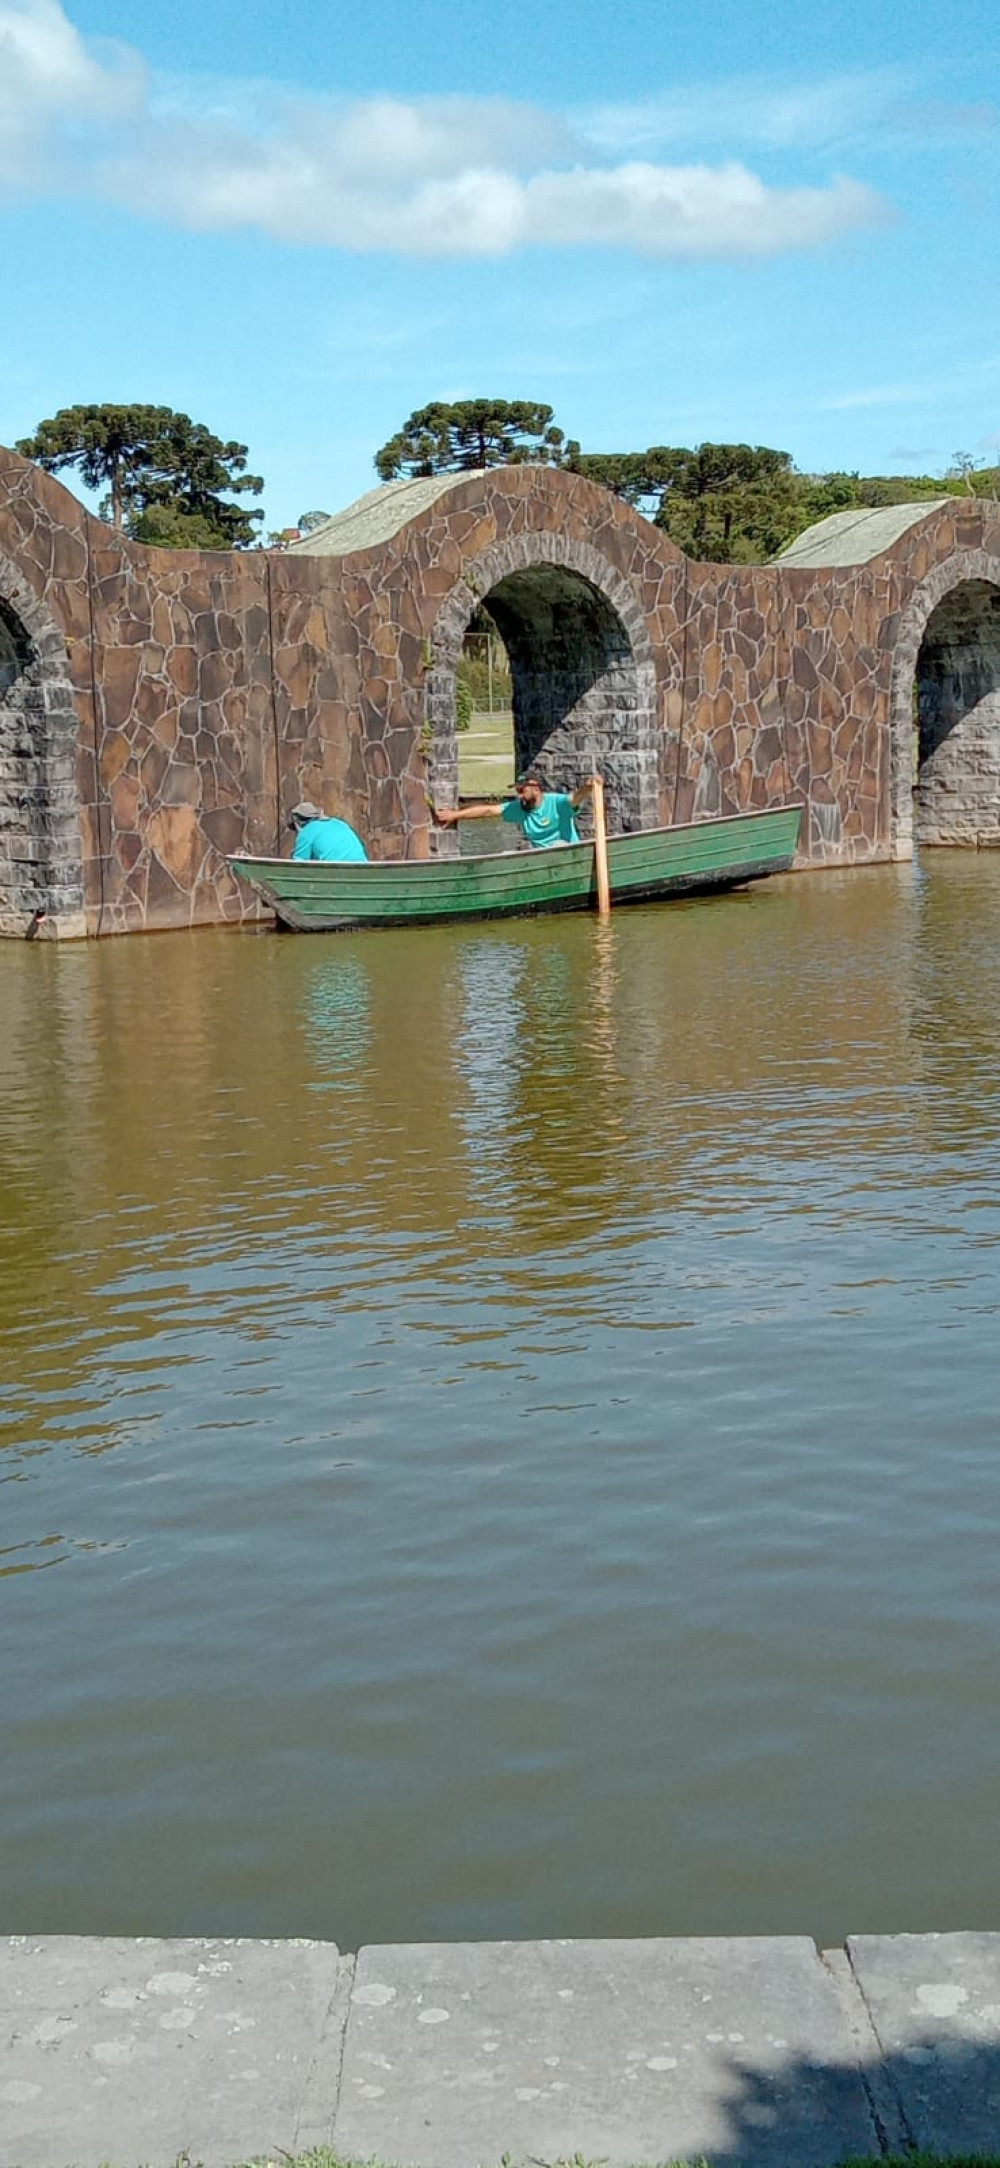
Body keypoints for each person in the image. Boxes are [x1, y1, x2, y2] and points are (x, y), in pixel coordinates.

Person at [435, 772, 597, 850]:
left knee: (558, 844)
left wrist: (588, 787)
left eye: (522, 791)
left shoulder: (556, 802)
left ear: (535, 789)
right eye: (518, 791)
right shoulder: (519, 808)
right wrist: (455, 815)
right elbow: (489, 811)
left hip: (568, 852)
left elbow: (576, 798)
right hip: (542, 859)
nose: (519, 796)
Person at [287, 800, 369, 863]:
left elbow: (299, 866)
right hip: (363, 868)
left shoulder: (306, 832)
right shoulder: (339, 823)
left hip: (336, 873)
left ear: (296, 824)